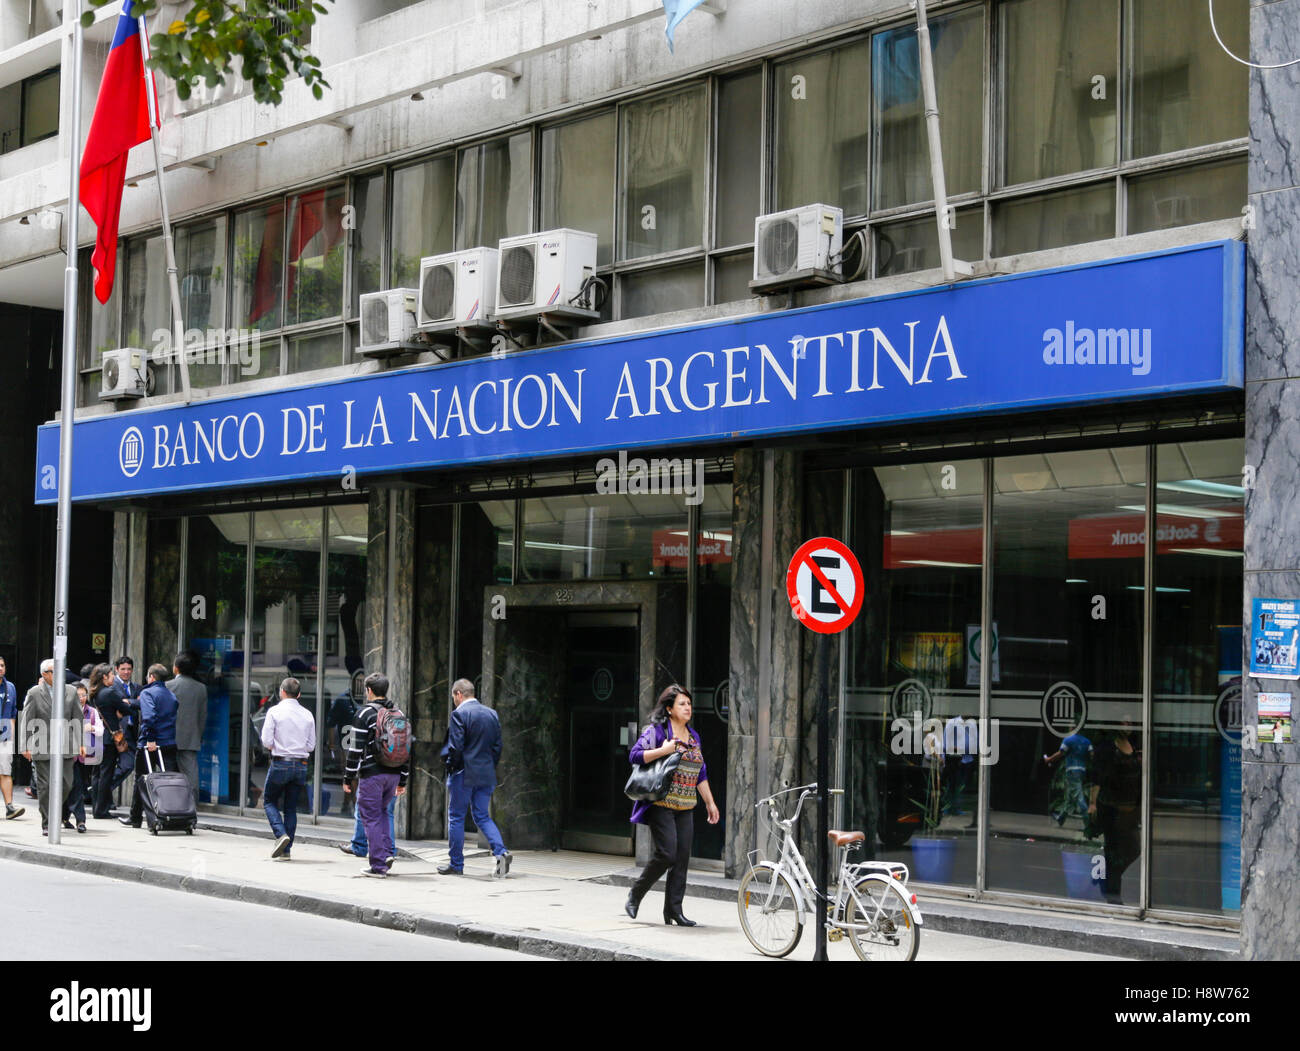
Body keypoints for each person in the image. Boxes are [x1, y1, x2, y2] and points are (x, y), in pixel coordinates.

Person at [625, 684, 720, 926]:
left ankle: (674, 911)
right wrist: (663, 750)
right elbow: (634, 755)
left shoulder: (694, 736)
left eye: (689, 704)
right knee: (667, 853)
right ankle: (636, 893)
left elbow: (701, 772)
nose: (688, 707)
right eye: (682, 704)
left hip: (686, 805)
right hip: (661, 803)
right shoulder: (658, 731)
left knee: (681, 858)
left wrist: (710, 802)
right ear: (669, 709)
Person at [438, 678, 511, 878]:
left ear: (459, 694)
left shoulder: (459, 714)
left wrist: (451, 767)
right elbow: (497, 747)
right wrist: (489, 766)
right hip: (486, 772)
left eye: (454, 696)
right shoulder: (491, 714)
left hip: (464, 773)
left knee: (456, 817)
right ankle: (501, 851)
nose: (454, 700)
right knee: (482, 815)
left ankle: (456, 864)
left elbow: (456, 747)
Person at [343, 672, 407, 877]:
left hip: (373, 774)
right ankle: (387, 853)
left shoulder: (365, 714)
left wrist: (348, 777)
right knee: (382, 813)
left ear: (369, 691)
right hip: (394, 773)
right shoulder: (398, 714)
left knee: (369, 816)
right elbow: (404, 747)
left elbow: (355, 750)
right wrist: (403, 779)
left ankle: (378, 865)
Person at [19, 659, 84, 833]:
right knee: (45, 786)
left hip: (66, 745)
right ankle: (47, 821)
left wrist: (82, 743)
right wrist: (25, 745)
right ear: (45, 674)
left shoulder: (71, 691)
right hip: (43, 745)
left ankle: (56, 812)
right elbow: (26, 720)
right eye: (55, 671)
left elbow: (78, 718)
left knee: (66, 784)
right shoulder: (34, 693)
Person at [260, 677, 316, 859]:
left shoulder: (274, 711)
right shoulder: (307, 714)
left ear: (282, 692)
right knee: (291, 808)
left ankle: (280, 834)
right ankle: (287, 850)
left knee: (269, 800)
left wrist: (278, 745)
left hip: (280, 761)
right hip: (301, 764)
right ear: (298, 694)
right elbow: (311, 746)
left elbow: (266, 741)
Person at [1088, 717, 1142, 904]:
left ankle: (1109, 880)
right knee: (1113, 851)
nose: (1128, 726)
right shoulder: (1108, 747)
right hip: (1111, 806)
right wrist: (1092, 803)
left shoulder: (1134, 744)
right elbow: (1097, 776)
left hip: (1130, 807)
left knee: (1134, 848)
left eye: (1130, 723)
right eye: (1124, 723)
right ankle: (1113, 894)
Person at [121, 664, 179, 829]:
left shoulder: (147, 693)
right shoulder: (170, 694)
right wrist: (132, 703)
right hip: (169, 742)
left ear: (152, 677)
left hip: (150, 744)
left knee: (141, 779)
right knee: (169, 781)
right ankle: (172, 814)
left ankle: (136, 817)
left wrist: (150, 739)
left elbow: (149, 717)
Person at [92, 663, 136, 819]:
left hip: (97, 737)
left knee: (97, 773)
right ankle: (101, 810)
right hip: (109, 738)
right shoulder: (110, 692)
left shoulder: (95, 693)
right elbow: (127, 710)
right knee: (106, 774)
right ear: (104, 677)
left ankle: (97, 806)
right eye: (111, 676)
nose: (113, 678)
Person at [62, 684, 103, 833]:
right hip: (70, 756)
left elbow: (100, 730)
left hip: (87, 756)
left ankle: (64, 817)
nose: (81, 698)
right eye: (78, 695)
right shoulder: (66, 711)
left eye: (83, 695)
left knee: (74, 787)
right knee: (76, 786)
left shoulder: (91, 712)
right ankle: (81, 820)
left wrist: (90, 728)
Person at [168, 651, 208, 795]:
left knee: (167, 774)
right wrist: (199, 735)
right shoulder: (201, 688)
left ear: (176, 668)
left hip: (168, 737)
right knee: (191, 775)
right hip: (191, 738)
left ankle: (168, 805)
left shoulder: (167, 686)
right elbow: (202, 716)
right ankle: (190, 806)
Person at [1045, 730, 1093, 827]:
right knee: (1071, 797)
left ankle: (1088, 823)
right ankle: (1061, 818)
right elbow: (1092, 755)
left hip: (1072, 770)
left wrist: (1049, 759)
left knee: (1079, 798)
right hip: (1082, 770)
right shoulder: (1087, 741)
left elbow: (1060, 753)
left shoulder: (1069, 740)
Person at [0, 656, 25, 819]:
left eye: (2, 665)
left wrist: (12, 734)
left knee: (5, 770)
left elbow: (13, 712)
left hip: (4, 733)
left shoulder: (10, 687)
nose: (0, 668)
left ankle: (9, 807)